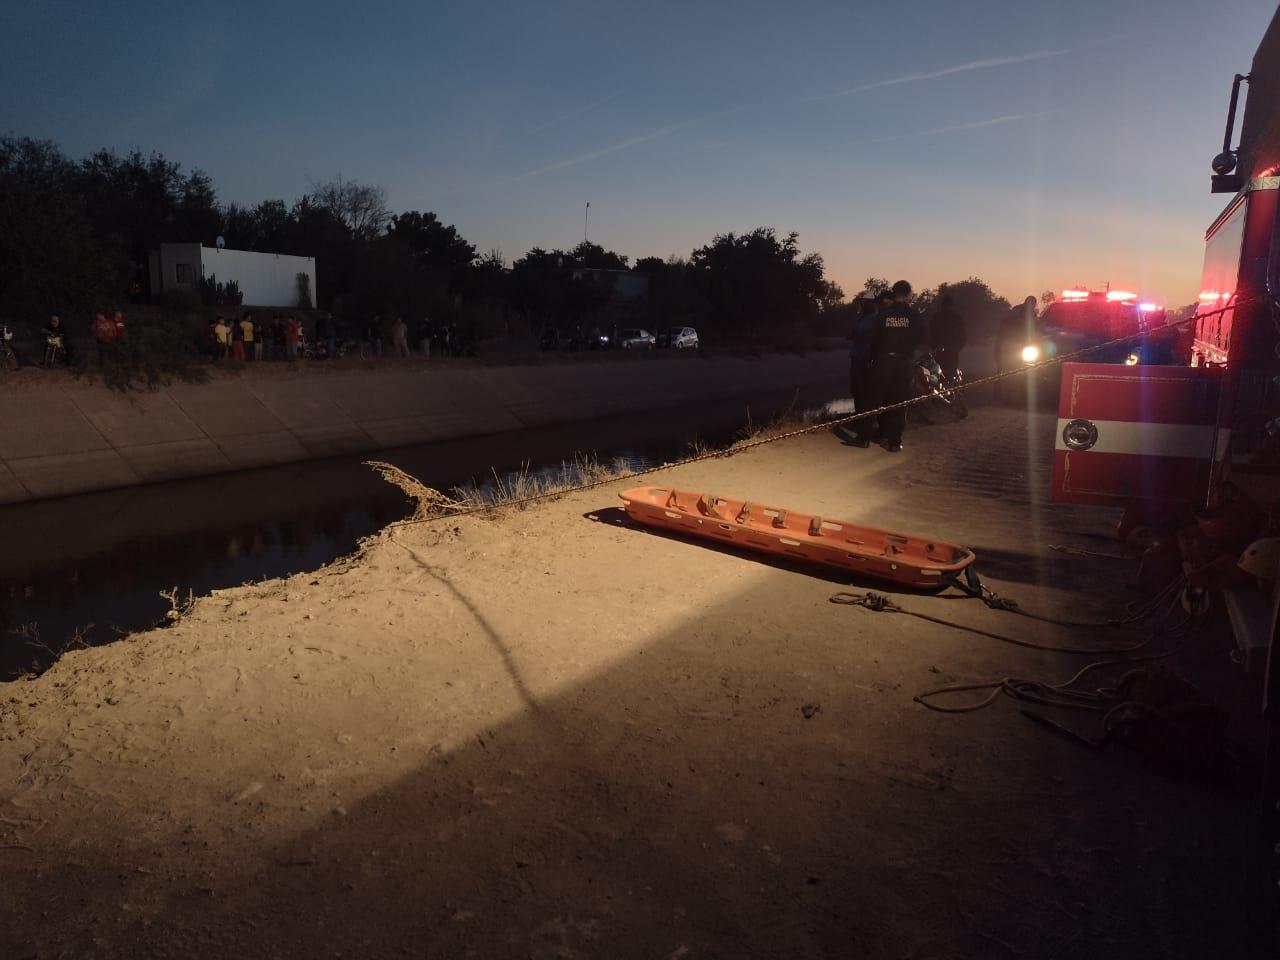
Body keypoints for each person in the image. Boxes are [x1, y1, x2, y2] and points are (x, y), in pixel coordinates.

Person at [865, 280, 925, 453]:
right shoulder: (914, 315)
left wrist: (873, 359)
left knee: (875, 400)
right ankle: (895, 442)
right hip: (904, 362)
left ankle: (863, 438)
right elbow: (922, 339)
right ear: (908, 294)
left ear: (894, 293)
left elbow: (874, 339)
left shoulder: (883, 315)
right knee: (899, 402)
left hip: (883, 361)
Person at [929, 294, 966, 383]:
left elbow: (930, 334)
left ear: (942, 304)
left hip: (939, 352)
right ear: (952, 304)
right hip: (952, 352)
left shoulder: (936, 317)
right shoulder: (957, 317)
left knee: (939, 376)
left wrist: (934, 347)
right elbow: (963, 336)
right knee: (951, 375)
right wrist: (957, 348)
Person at [996, 296, 1038, 373]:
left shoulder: (1032, 313)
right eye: (1032, 304)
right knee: (1003, 364)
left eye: (1033, 304)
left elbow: (1035, 327)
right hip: (1009, 340)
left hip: (1019, 341)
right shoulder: (1016, 311)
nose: (1033, 306)